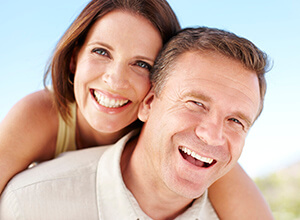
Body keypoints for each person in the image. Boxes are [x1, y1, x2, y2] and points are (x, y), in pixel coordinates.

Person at [0, 0, 273, 218]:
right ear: (74, 58)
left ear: (155, 92)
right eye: (101, 52)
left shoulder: (196, 140)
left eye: (141, 64)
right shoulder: (39, 115)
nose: (116, 80)